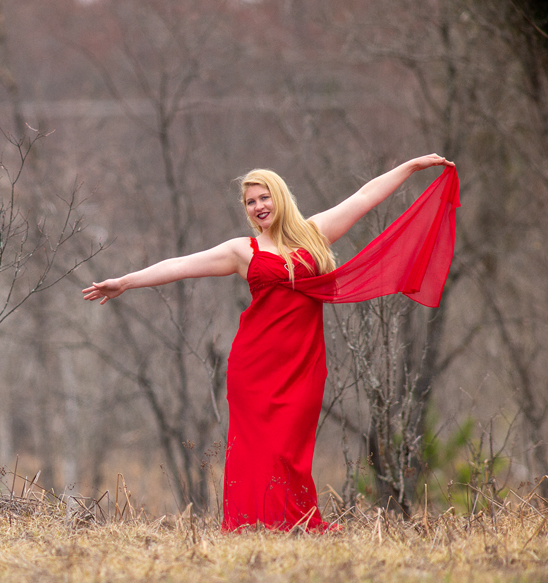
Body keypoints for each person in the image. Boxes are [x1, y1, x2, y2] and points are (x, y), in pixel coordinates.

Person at [83, 155, 458, 531]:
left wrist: (411, 167)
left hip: (303, 362)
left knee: (291, 449)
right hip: (255, 363)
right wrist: (126, 282)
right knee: (256, 449)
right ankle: (252, 525)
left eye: (265, 197)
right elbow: (180, 265)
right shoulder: (242, 250)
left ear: (280, 198)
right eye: (251, 202)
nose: (259, 206)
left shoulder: (315, 233)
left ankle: (293, 521)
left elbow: (364, 197)